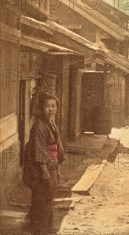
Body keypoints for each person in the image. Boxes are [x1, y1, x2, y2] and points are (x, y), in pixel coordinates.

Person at [23, 92, 65, 233]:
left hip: (52, 165)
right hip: (43, 169)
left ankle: (46, 229)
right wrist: (44, 170)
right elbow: (38, 147)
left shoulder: (52, 124)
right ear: (41, 109)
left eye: (53, 106)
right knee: (41, 200)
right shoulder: (39, 126)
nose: (51, 109)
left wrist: (58, 167)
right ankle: (38, 230)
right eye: (47, 106)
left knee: (49, 199)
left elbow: (57, 145)